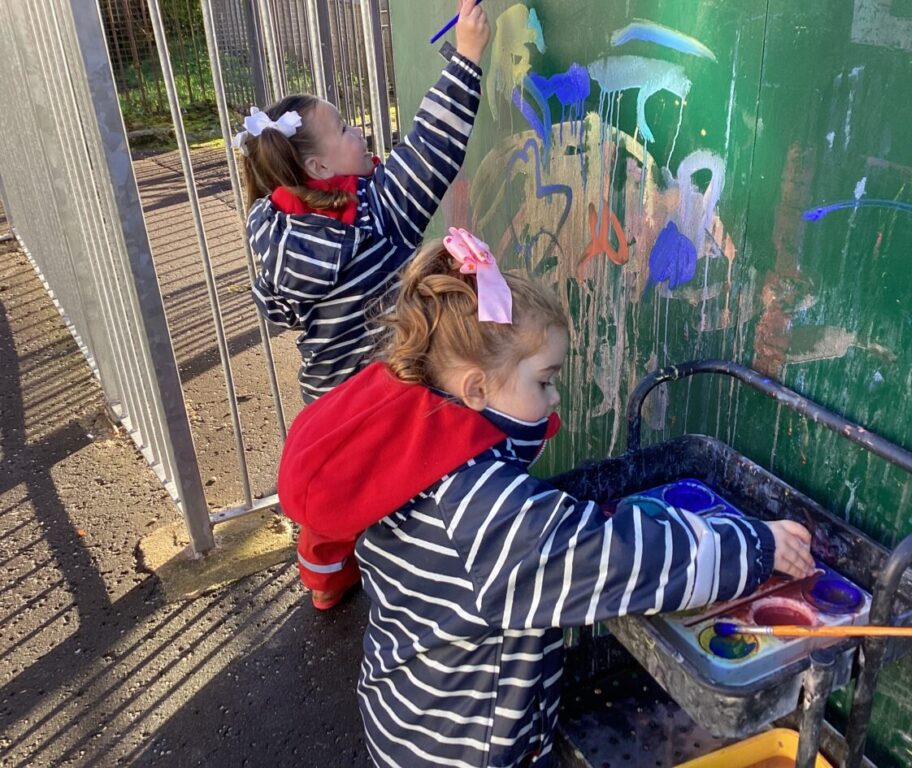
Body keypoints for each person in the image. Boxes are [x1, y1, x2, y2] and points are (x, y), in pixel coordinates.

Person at [277, 229, 816, 766]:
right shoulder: (477, 507)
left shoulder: (411, 458)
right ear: (476, 389)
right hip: (466, 751)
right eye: (543, 381)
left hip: (410, 718)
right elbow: (616, 561)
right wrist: (753, 547)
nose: (555, 397)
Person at [235, 0, 490, 405]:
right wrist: (468, 56)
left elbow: (278, 309)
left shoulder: (280, 234)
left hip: (326, 405)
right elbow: (432, 144)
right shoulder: (375, 213)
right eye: (343, 129)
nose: (358, 131)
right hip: (389, 401)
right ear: (319, 167)